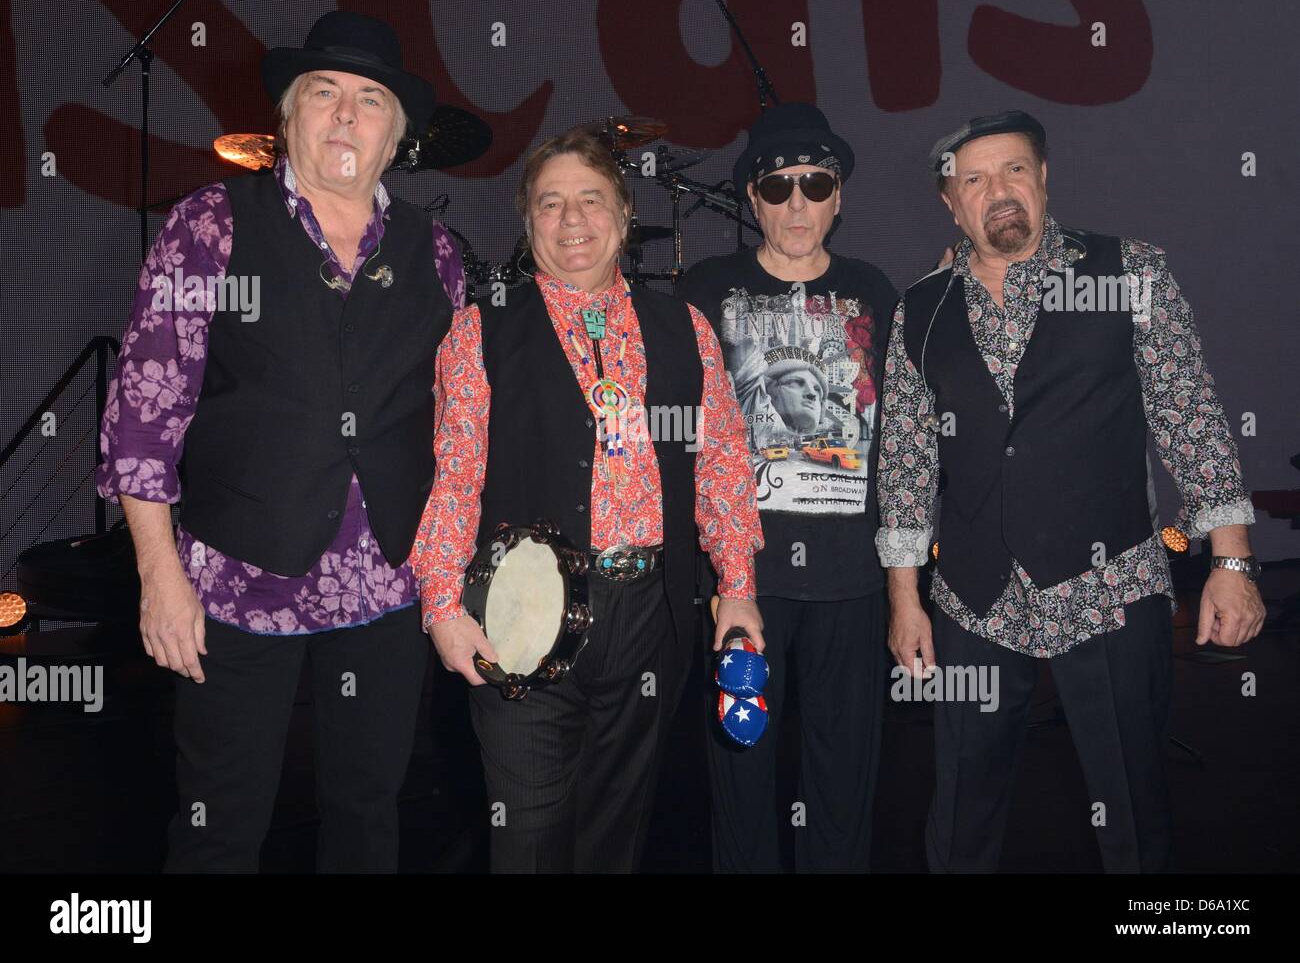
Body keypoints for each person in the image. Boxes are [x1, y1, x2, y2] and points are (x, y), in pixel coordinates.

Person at [96, 11, 463, 872]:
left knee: (369, 818)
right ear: (289, 117)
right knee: (218, 826)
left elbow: (456, 425)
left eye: (370, 101)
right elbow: (145, 411)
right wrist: (160, 576)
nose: (345, 116)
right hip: (236, 577)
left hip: (386, 584)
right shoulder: (211, 225)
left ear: (394, 135)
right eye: (324, 94)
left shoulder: (437, 252)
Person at [876, 110, 1266, 873]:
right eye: (975, 179)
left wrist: (1233, 562)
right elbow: (905, 463)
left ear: (1045, 178)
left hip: (1110, 587)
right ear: (949, 202)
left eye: (1015, 169)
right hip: (973, 600)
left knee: (1133, 813)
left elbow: (1192, 417)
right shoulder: (918, 311)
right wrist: (902, 595)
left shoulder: (1132, 272)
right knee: (960, 813)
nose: (999, 191)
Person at [411, 127, 763, 873]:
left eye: (590, 200)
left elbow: (722, 463)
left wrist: (737, 585)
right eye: (551, 204)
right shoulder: (483, 329)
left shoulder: (683, 327)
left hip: (649, 615)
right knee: (531, 839)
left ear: (625, 214)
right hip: (520, 612)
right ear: (527, 221)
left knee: (616, 833)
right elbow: (456, 473)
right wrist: (442, 602)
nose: (572, 221)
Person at [676, 102, 897, 872]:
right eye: (778, 189)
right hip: (746, 581)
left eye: (815, 184)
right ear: (751, 199)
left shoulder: (874, 289)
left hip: (851, 577)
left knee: (844, 776)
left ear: (838, 196)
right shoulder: (706, 287)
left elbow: (903, 430)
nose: (797, 204)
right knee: (741, 766)